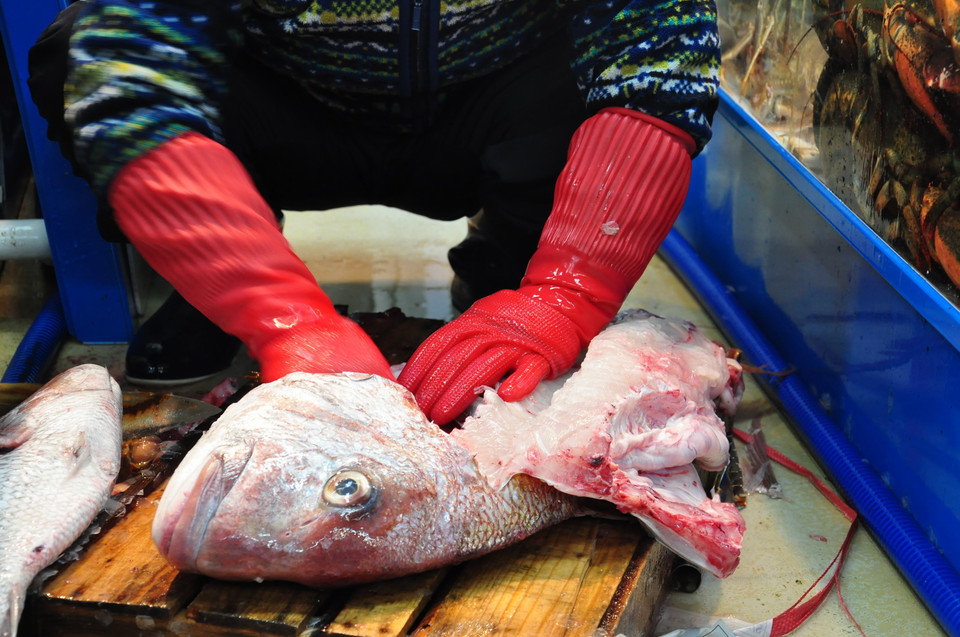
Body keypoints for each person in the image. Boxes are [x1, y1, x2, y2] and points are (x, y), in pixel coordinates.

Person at [28, 0, 720, 425]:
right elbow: (130, 72)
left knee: (599, 77)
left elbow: (659, 62)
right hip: (294, 109)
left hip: (484, 113)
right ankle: (212, 296)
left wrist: (571, 294)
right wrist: (279, 311)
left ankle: (513, 279)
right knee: (76, 51)